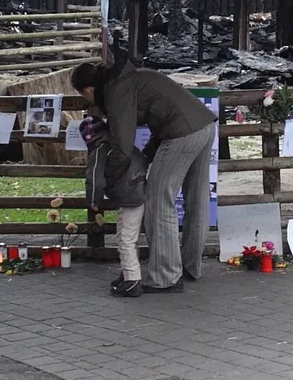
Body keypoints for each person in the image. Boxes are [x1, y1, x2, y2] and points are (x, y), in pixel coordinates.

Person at [72, 57, 216, 293]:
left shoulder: (117, 91)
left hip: (181, 133)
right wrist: (147, 156)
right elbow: (161, 116)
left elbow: (122, 145)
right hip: (204, 125)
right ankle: (190, 266)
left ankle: (166, 278)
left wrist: (110, 177)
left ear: (87, 90)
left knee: (158, 202)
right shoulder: (132, 78)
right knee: (197, 199)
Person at [80, 114, 148, 298]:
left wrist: (93, 202)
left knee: (125, 239)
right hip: (140, 191)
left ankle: (132, 281)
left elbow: (94, 179)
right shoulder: (124, 145)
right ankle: (128, 272)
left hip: (128, 197)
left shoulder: (100, 151)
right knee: (130, 236)